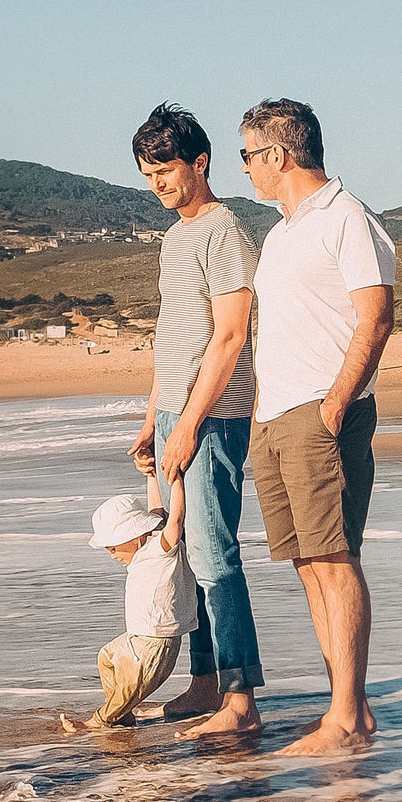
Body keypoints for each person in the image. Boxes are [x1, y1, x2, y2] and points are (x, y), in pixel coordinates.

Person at [236, 99, 397, 756]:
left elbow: (377, 318)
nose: (243, 167)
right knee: (309, 565)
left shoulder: (347, 218)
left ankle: (348, 719)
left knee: (337, 560)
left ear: (279, 155)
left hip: (321, 413)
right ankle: (346, 708)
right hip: (275, 418)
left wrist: (334, 405)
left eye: (248, 154)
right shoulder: (281, 233)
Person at [126, 102, 266, 741]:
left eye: (165, 169)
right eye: (147, 172)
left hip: (215, 415)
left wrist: (189, 424)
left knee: (214, 556)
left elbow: (232, 334)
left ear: (199, 162)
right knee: (193, 551)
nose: (156, 182)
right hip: (180, 411)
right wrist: (155, 416)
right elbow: (172, 337)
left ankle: (240, 697)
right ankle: (207, 684)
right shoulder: (175, 237)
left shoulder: (223, 230)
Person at [59, 491, 196, 734]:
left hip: (157, 642)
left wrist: (176, 480)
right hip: (136, 638)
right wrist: (152, 474)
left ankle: (100, 720)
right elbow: (156, 509)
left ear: (133, 536)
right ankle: (122, 717)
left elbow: (175, 519)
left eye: (113, 548)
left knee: (129, 688)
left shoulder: (160, 549)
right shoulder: (141, 551)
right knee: (106, 657)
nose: (112, 555)